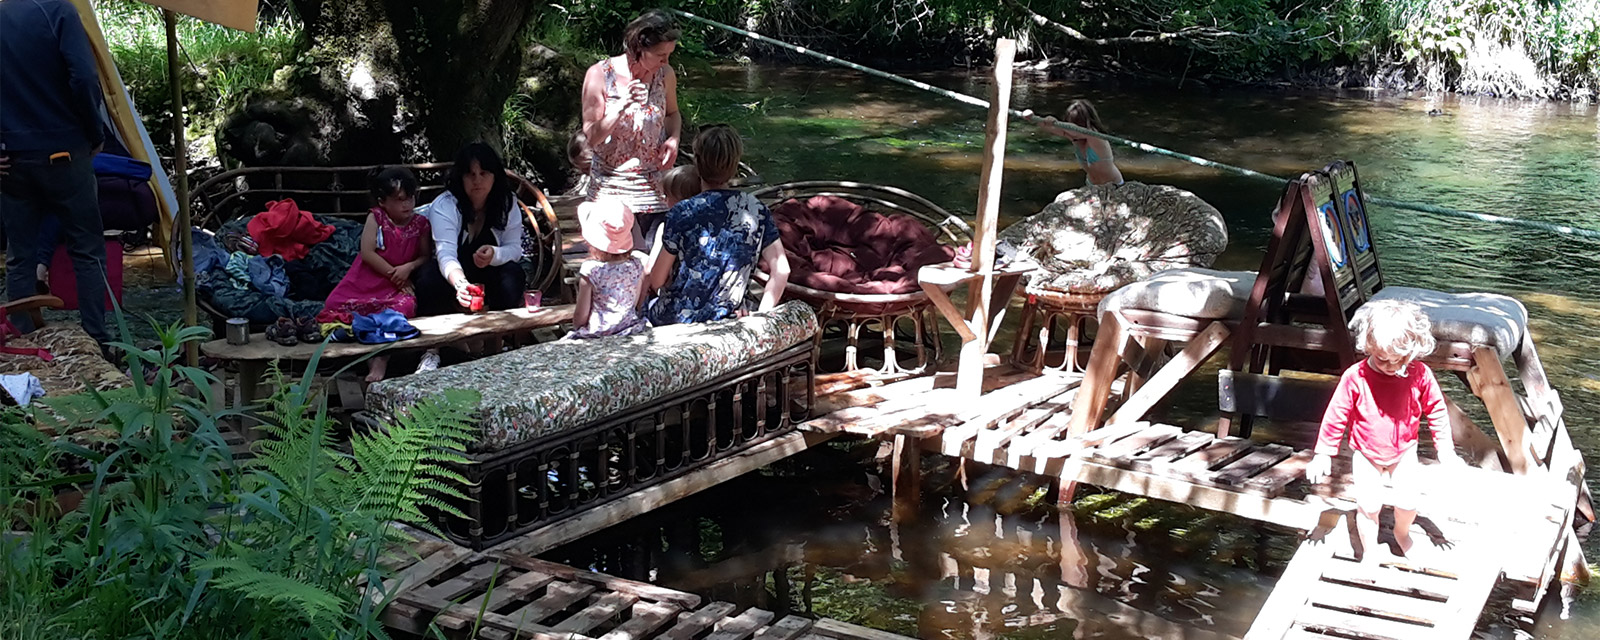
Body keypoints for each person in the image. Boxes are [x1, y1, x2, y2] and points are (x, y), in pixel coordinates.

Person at [1306, 300, 1464, 561]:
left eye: (1399, 359)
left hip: (1404, 450)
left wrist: (1446, 451)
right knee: (1368, 506)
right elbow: (1336, 415)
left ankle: (1403, 534)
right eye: (1382, 358)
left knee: (1408, 502)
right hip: (1366, 452)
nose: (1391, 366)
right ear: (1368, 346)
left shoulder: (1420, 374)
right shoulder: (1356, 377)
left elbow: (1436, 410)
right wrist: (1323, 452)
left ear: (1414, 349)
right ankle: (1370, 552)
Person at [0, 0, 112, 348]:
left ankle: (20, 347)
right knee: (88, 250)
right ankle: (98, 342)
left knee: (20, 255)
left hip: (12, 159)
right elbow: (84, 77)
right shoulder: (58, 10)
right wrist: (94, 133)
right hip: (64, 152)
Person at [646, 125, 789, 325]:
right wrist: (761, 319)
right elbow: (782, 270)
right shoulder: (756, 209)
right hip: (728, 318)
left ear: (697, 162)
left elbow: (657, 280)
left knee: (643, 305)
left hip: (678, 319)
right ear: (735, 163)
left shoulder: (683, 211)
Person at [413, 143, 526, 371]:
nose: (477, 181)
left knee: (514, 274)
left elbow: (515, 248)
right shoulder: (445, 205)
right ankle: (432, 349)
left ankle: (496, 341)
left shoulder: (507, 203)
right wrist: (460, 284)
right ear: (460, 177)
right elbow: (445, 253)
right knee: (427, 277)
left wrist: (495, 254)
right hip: (454, 273)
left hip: (489, 269)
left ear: (495, 176)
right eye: (470, 174)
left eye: (484, 173)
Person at [319, 167, 432, 381]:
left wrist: (408, 268)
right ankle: (362, 344)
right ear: (383, 201)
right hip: (369, 278)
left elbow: (425, 256)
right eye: (400, 200)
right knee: (334, 303)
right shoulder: (376, 218)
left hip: (398, 283)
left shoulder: (421, 224)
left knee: (403, 308)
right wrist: (392, 273)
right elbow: (367, 253)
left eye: (410, 199)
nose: (407, 205)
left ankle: (380, 360)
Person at [582, 9, 682, 248]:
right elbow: (592, 137)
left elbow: (672, 113)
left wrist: (674, 139)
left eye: (669, 54)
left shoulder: (665, 74)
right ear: (638, 47)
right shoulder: (599, 75)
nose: (665, 61)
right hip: (610, 183)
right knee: (615, 262)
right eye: (660, 55)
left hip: (653, 183)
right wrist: (622, 106)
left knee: (658, 256)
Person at [570, 199, 647, 339]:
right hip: (629, 329)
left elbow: (581, 316)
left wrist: (577, 328)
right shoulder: (636, 265)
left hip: (598, 334)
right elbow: (634, 304)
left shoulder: (591, 270)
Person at [1029, 99, 1124, 187]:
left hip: (1114, 185)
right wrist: (1034, 119)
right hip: (1092, 185)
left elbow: (1075, 130)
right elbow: (1049, 127)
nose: (1070, 132)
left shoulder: (1096, 137)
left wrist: (1057, 122)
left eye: (1077, 124)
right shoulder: (1075, 137)